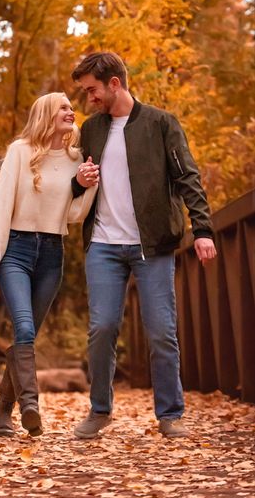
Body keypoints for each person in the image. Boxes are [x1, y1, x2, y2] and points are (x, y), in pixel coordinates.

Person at [70, 52, 217, 439]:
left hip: (151, 245)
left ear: (114, 84)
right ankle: (99, 410)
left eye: (93, 90)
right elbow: (73, 186)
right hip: (103, 244)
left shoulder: (160, 124)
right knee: (102, 328)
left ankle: (170, 414)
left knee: (160, 331)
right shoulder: (91, 129)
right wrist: (78, 181)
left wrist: (202, 229)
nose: (89, 99)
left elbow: (188, 177)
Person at [0, 92, 97, 438]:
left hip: (51, 253)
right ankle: (30, 405)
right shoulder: (20, 152)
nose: (70, 111)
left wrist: (86, 186)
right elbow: (1, 203)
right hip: (15, 251)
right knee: (25, 330)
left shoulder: (77, 159)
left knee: (23, 338)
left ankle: (4, 413)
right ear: (46, 113)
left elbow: (74, 216)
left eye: (70, 107)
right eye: (63, 107)